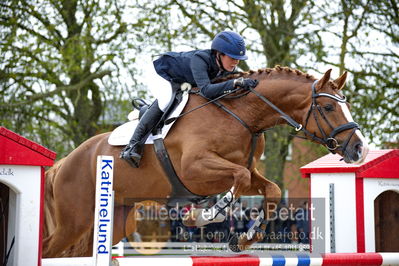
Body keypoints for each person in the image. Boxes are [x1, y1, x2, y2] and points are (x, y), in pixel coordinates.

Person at [120, 30, 259, 167]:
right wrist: (235, 83)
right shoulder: (200, 60)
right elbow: (206, 91)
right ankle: (132, 146)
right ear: (219, 54)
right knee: (166, 100)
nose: (235, 62)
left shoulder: (225, 67)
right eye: (232, 58)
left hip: (179, 79)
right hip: (160, 73)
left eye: (238, 59)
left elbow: (223, 89)